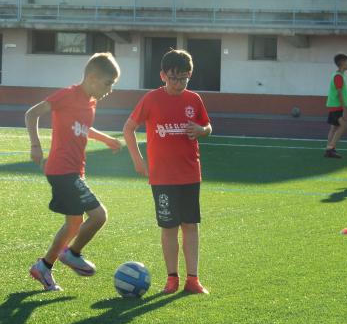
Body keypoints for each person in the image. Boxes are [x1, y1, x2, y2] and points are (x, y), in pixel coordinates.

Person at [25, 53, 122, 291]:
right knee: (99, 216)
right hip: (62, 169)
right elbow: (32, 114)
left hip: (74, 170)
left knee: (74, 223)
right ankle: (72, 253)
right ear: (92, 77)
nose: (110, 89)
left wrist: (106, 139)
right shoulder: (67, 95)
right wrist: (35, 145)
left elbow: (84, 128)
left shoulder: (91, 102)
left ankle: (44, 267)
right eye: (107, 83)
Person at [123, 49, 212, 295]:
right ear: (163, 75)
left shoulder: (194, 100)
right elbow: (128, 128)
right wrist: (138, 160)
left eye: (184, 78)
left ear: (190, 75)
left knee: (190, 225)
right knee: (169, 227)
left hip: (190, 174)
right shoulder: (151, 99)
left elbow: (208, 126)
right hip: (162, 177)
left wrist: (202, 130)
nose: (178, 83)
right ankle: (172, 279)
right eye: (173, 78)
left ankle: (192, 279)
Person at [324, 53, 347, 158]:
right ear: (342, 63)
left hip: (334, 105)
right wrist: (345, 109)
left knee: (334, 128)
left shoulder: (339, 75)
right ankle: (331, 148)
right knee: (344, 126)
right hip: (337, 106)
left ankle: (328, 149)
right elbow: (339, 94)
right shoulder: (338, 76)